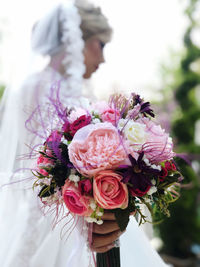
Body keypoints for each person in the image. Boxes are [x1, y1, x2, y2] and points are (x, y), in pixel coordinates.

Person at [0, 1, 168, 266]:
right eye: (101, 45)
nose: (103, 58)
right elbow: (25, 167)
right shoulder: (30, 89)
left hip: (96, 212)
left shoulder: (83, 93)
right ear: (78, 40)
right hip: (52, 220)